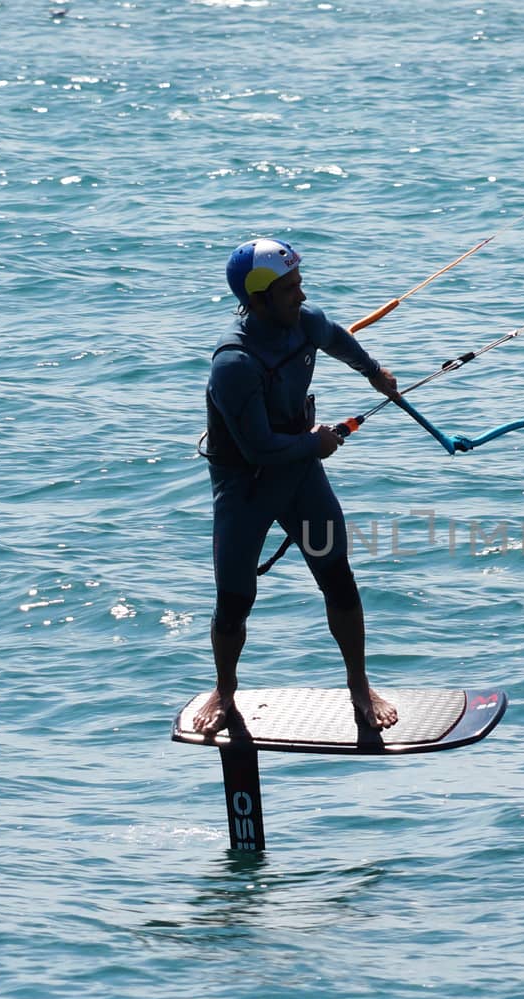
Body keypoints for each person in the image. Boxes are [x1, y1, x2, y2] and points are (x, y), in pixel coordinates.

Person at [192, 237, 401, 737]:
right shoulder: (233, 364)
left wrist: (373, 373)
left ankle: (358, 685)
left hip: (302, 477)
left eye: (300, 285)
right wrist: (317, 444)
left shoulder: (302, 321)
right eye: (290, 290)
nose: (301, 296)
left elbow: (334, 337)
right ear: (258, 298)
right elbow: (259, 449)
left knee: (338, 577)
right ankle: (224, 690)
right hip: (247, 486)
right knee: (235, 599)